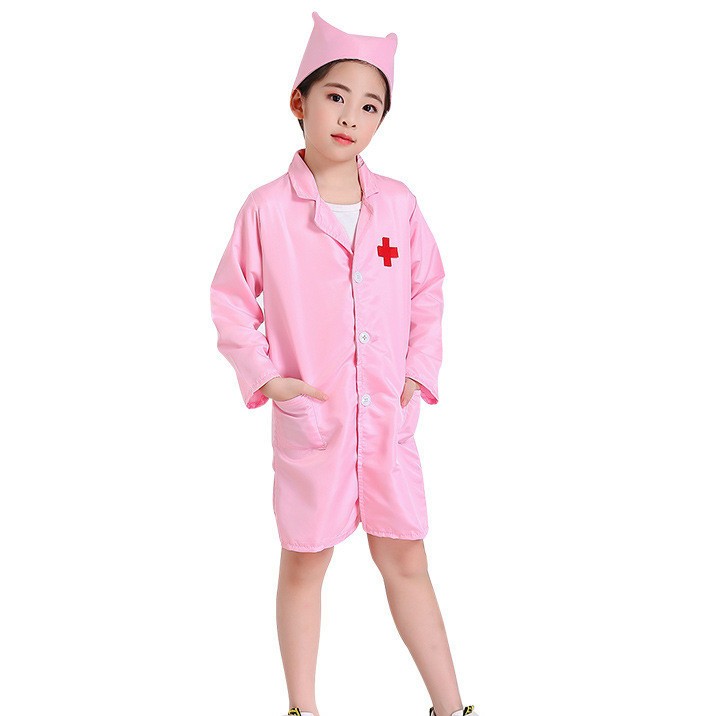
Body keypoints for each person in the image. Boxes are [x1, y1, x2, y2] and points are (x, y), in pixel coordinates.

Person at [210, 12, 477, 716]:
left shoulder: (399, 206)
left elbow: (427, 289)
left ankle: (451, 706)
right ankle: (302, 709)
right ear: (298, 102)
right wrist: (268, 378)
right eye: (335, 97)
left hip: (388, 417)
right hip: (316, 418)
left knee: (406, 558)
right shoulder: (268, 210)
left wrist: (417, 372)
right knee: (305, 560)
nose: (351, 116)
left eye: (370, 106)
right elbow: (231, 301)